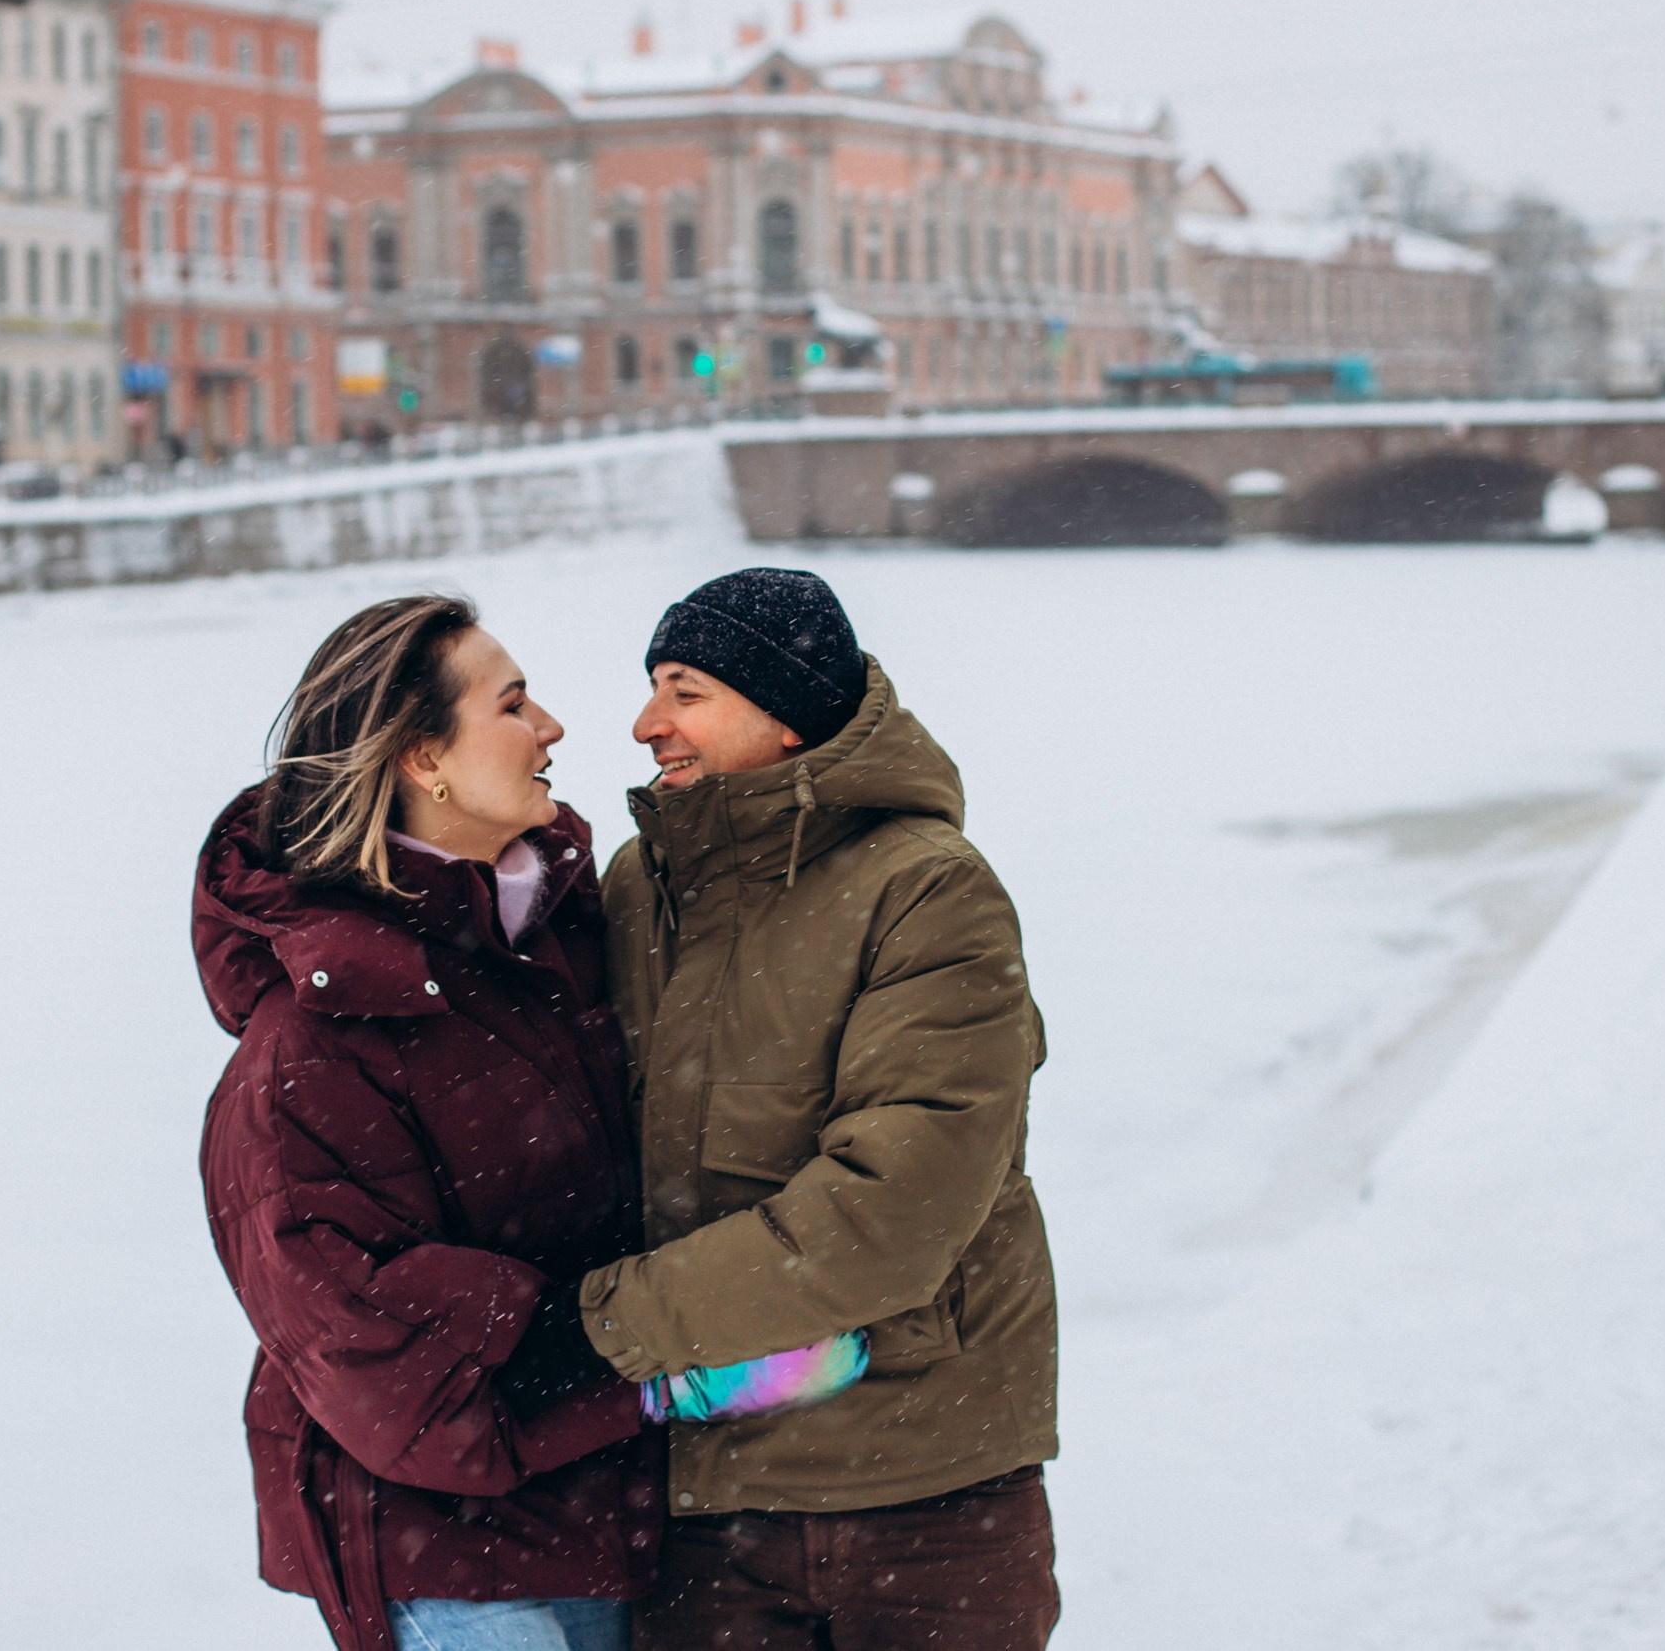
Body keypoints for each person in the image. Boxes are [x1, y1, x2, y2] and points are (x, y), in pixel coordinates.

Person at [192, 594, 866, 1651]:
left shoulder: (560, 943)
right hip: (451, 1561)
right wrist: (663, 1372)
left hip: (604, 1523)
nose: (552, 725)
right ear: (425, 757)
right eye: (512, 704)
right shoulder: (309, 1047)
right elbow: (378, 1353)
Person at [578, 567, 1062, 1650]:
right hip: (705, 1516)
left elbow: (891, 1217)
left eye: (684, 689)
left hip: (927, 1501)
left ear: (786, 713)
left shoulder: (928, 889)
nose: (647, 723)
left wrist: (595, 1329)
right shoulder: (637, 886)